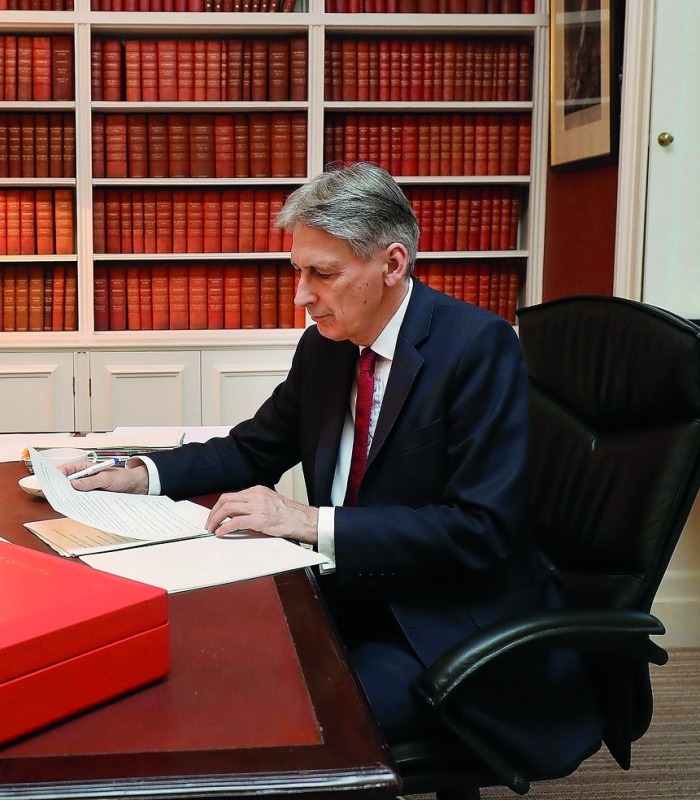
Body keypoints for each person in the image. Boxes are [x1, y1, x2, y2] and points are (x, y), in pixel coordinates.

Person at [66, 162, 600, 775]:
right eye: (298, 271)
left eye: (322, 274)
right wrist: (142, 472)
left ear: (393, 265)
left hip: (436, 622)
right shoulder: (326, 345)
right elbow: (253, 450)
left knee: (277, 721)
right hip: (345, 592)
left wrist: (305, 520)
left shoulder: (477, 347)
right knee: (197, 665)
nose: (301, 295)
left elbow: (480, 527)